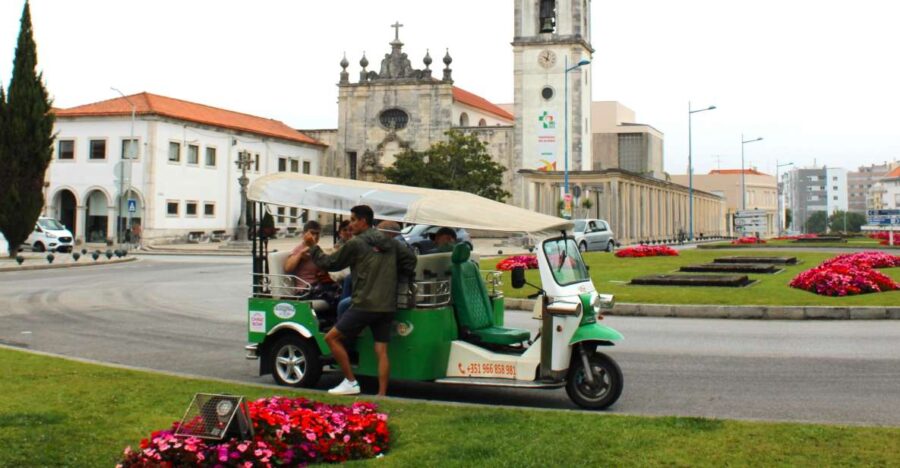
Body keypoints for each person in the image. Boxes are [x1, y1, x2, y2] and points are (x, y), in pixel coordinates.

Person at [304, 205, 416, 396]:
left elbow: (330, 263)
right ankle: (382, 394)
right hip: (387, 305)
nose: (351, 224)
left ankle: (350, 381)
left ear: (363, 221)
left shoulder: (356, 243)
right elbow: (410, 261)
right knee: (381, 350)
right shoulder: (391, 243)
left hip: (364, 303)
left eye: (354, 220)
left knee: (331, 338)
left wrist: (313, 247)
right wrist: (393, 275)